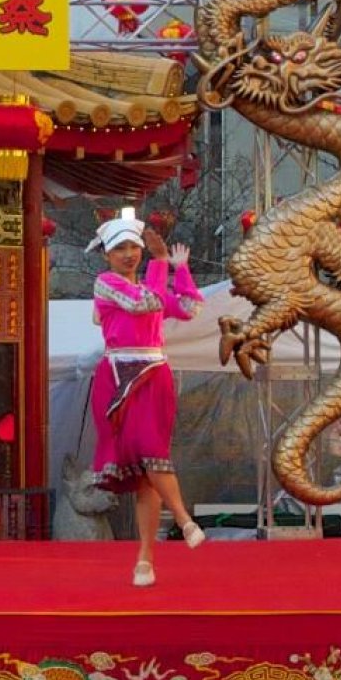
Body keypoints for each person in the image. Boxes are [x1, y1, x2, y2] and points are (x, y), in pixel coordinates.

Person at [87, 216, 205, 587]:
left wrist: (180, 269)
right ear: (106, 255)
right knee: (144, 455)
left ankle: (146, 558)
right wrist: (158, 263)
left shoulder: (149, 282)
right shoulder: (105, 284)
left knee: (149, 463)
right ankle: (184, 521)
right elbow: (144, 305)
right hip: (119, 375)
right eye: (120, 249)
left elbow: (189, 308)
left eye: (133, 247)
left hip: (154, 374)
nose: (128, 255)